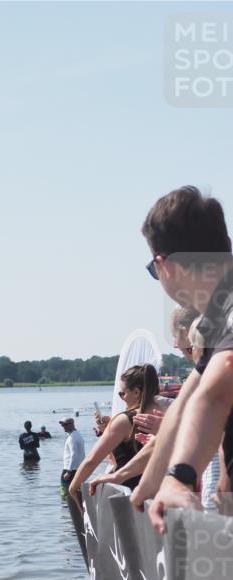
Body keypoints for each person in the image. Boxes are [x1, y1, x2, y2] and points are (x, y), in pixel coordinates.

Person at [127, 186, 233, 531]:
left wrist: (180, 478)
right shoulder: (218, 313)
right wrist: (149, 485)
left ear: (164, 265)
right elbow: (187, 402)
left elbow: (217, 390)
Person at [69, 364, 161, 510]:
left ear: (136, 392)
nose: (121, 397)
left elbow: (92, 461)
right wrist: (108, 430)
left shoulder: (125, 420)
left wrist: (73, 489)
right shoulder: (169, 411)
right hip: (163, 492)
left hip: (132, 497)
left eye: (122, 393)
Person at [59, 418, 85, 500]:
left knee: (65, 492)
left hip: (70, 469)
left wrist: (68, 472)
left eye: (65, 425)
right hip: (77, 468)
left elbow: (74, 455)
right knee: (76, 491)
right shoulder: (77, 434)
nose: (63, 427)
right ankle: (74, 507)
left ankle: (66, 508)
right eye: (62, 425)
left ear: (71, 424)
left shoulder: (72, 438)